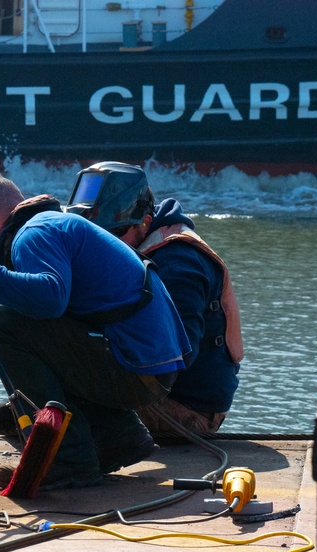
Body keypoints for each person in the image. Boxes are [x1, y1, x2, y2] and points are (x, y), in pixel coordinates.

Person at [0, 172, 190, 489]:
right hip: (148, 367)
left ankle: (68, 458)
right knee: (27, 323)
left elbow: (49, 298)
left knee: (1, 324)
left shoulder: (33, 233)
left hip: (136, 369)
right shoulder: (54, 223)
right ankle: (119, 437)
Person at [65, 162, 243, 435]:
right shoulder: (141, 247)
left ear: (144, 223)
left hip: (186, 410)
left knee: (66, 394)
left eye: (108, 235)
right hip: (161, 395)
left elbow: (178, 356)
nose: (100, 245)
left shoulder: (178, 262)